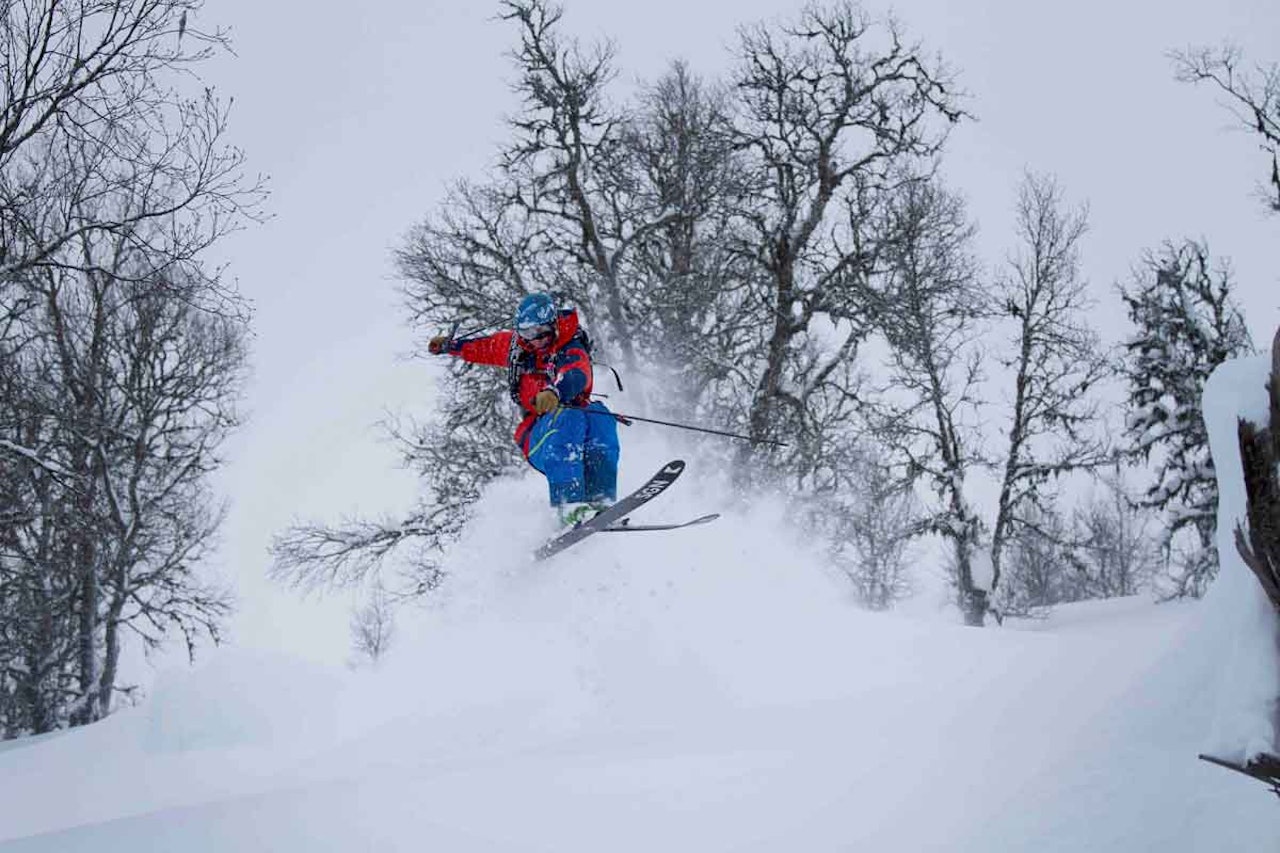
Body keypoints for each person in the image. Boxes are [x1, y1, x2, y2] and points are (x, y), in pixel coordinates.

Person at [428, 293, 620, 527]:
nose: (535, 340)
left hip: (576, 423)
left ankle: (600, 500)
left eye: (540, 332)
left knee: (600, 416)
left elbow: (576, 373)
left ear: (553, 325)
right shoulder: (517, 350)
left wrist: (555, 392)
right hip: (539, 437)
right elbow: (483, 347)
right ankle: (568, 508)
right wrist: (449, 346)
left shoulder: (570, 346)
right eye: (527, 333)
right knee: (569, 419)